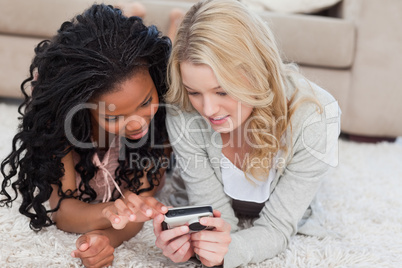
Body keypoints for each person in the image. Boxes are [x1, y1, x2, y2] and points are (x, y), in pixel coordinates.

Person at [155, 0, 340, 267]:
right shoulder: (182, 111)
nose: (208, 109)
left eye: (222, 91)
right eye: (195, 92)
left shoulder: (317, 117)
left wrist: (226, 253)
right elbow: (215, 216)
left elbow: (277, 227)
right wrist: (196, 244)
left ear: (258, 70)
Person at [0, 4, 172, 267]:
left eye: (146, 102)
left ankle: (166, 21)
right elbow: (64, 212)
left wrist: (103, 236)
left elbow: (140, 206)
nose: (137, 124)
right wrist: (109, 212)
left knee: (172, 58)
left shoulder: (161, 122)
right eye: (114, 117)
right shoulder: (62, 127)